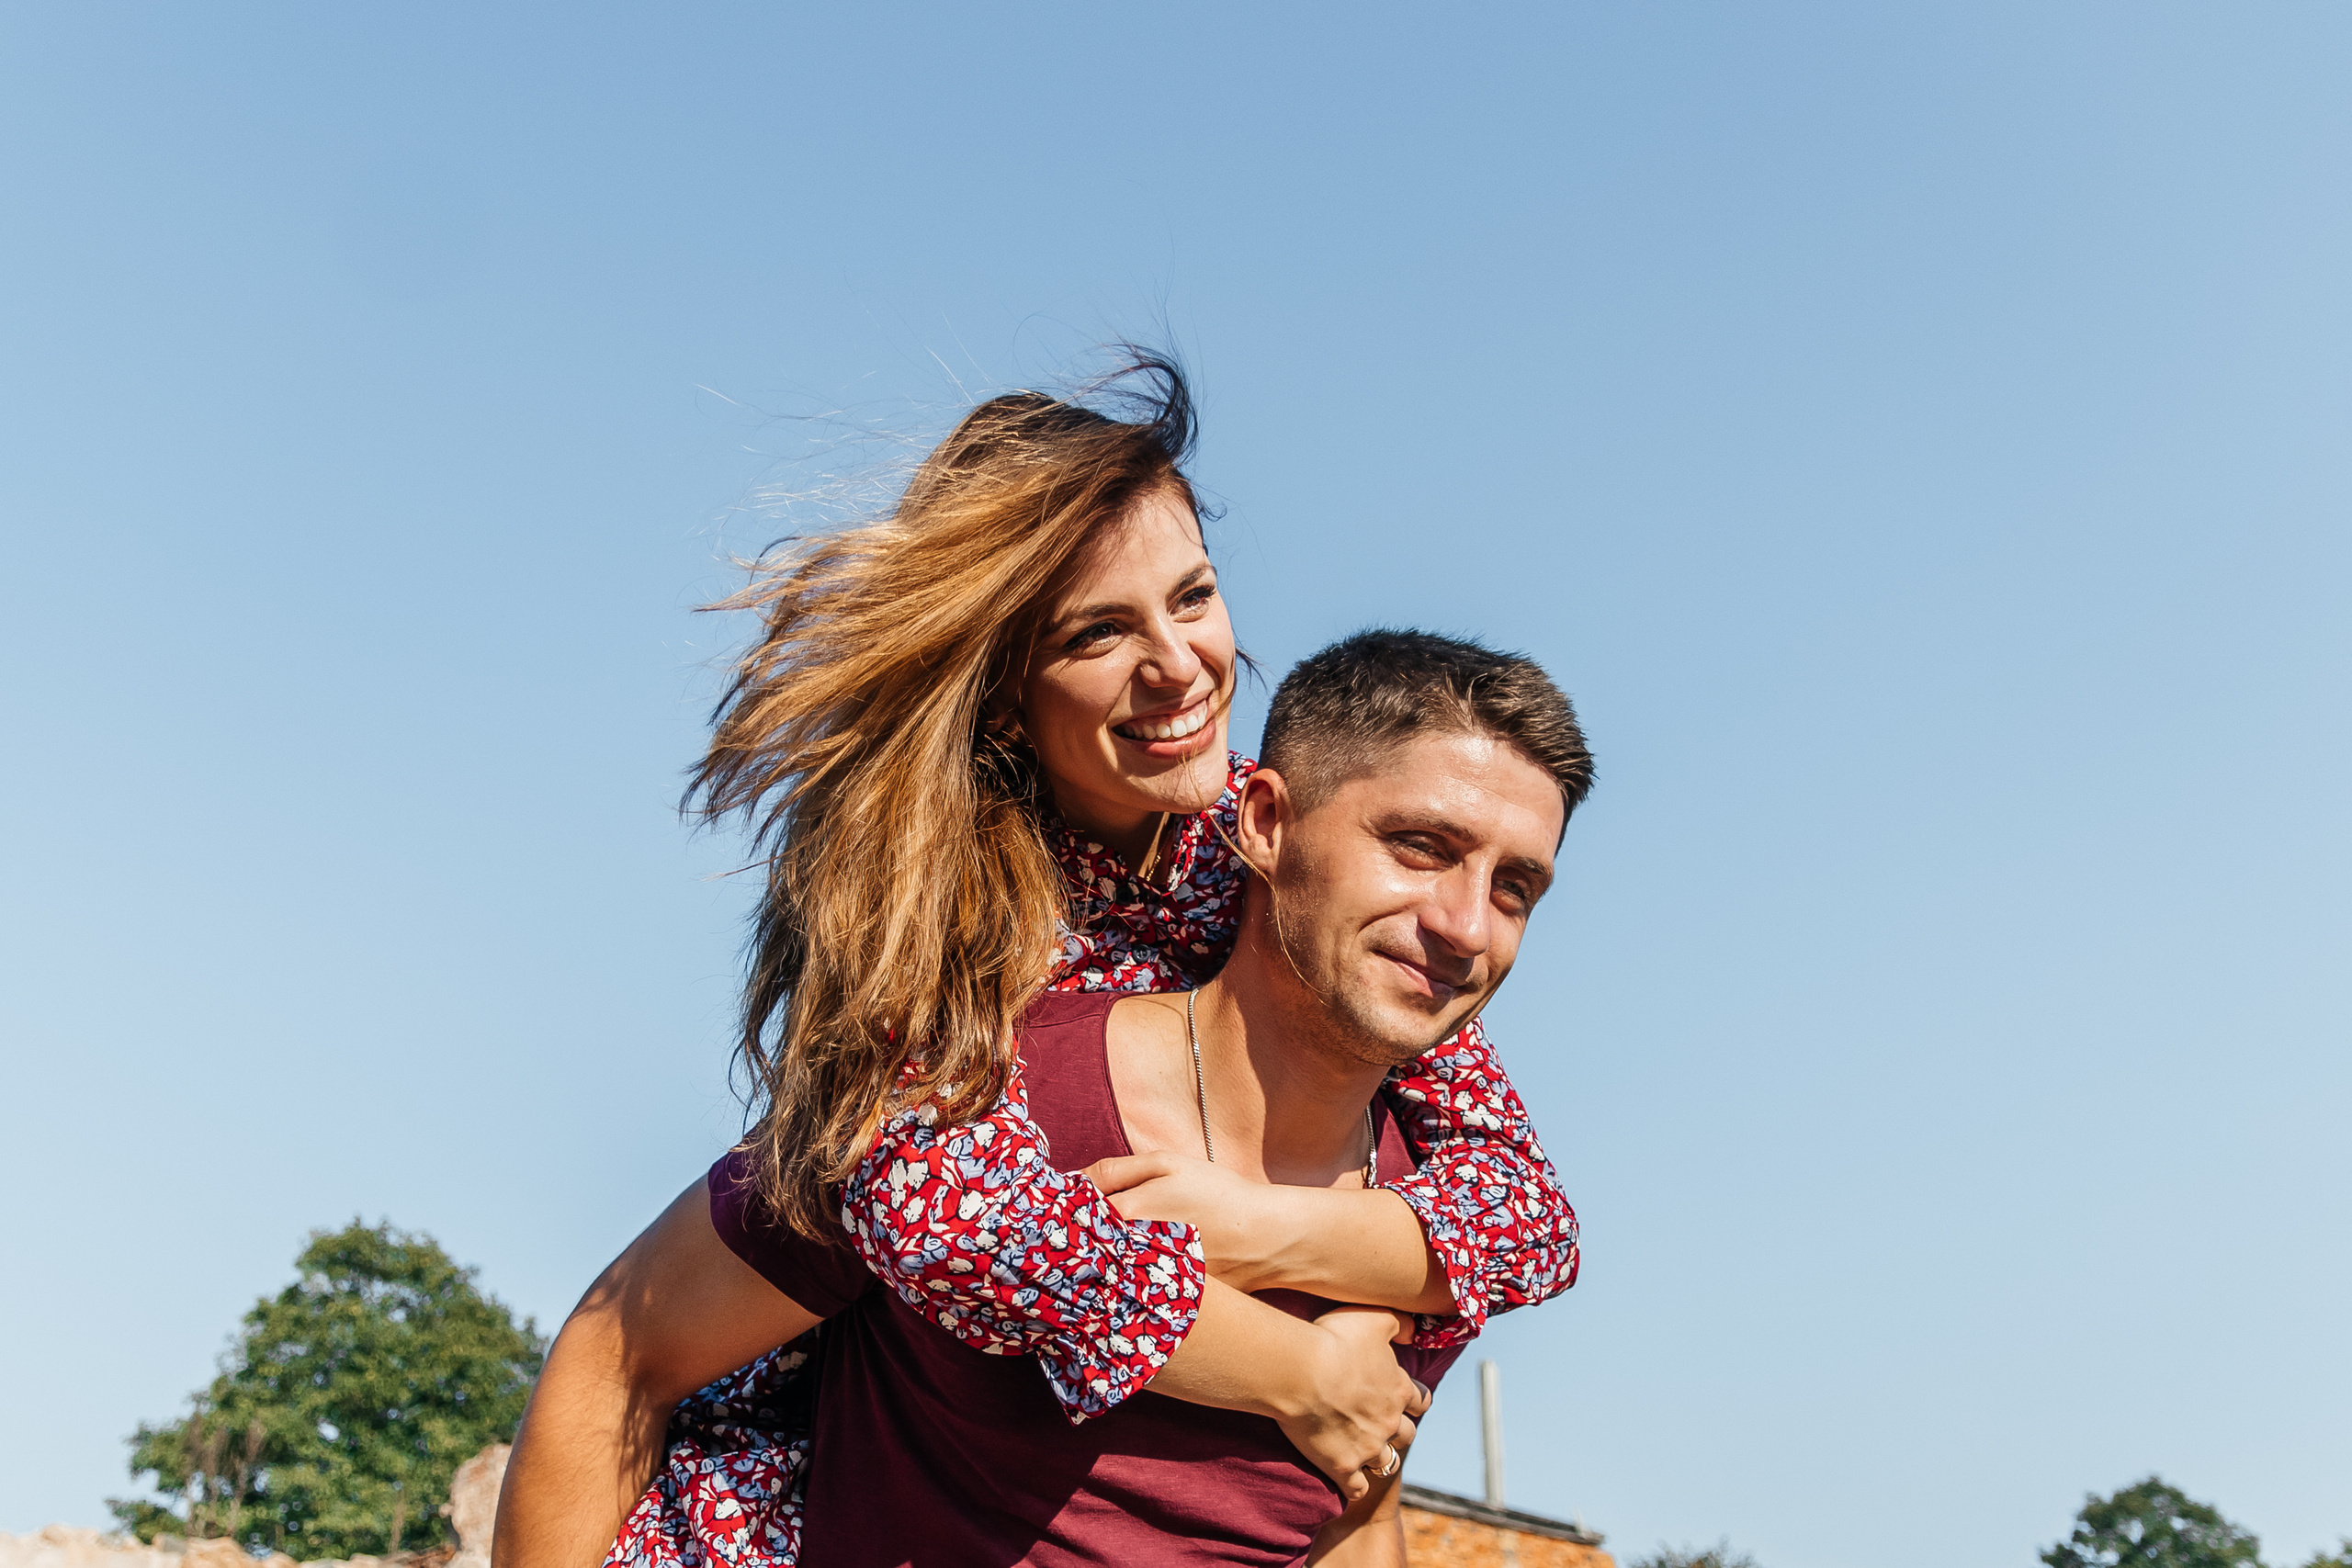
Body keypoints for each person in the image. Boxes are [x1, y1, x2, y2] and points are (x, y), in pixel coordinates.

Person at [494, 360, 1589, 1566]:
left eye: (1194, 597)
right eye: (1100, 631)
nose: (1178, 665)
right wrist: (1290, 1367)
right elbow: (950, 1218)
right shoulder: (941, 911)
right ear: (1010, 691)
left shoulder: (1274, 859)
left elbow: (1524, 1214)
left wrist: (1258, 1225)